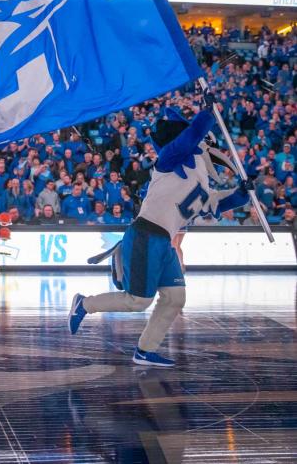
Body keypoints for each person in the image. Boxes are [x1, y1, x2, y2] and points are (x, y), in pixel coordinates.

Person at [68, 98, 251, 368]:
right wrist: (207, 113)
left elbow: (220, 203)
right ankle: (84, 304)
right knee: (138, 300)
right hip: (146, 234)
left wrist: (244, 194)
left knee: (175, 298)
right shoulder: (170, 158)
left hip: (164, 242)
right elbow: (191, 136)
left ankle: (145, 350)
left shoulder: (199, 187)